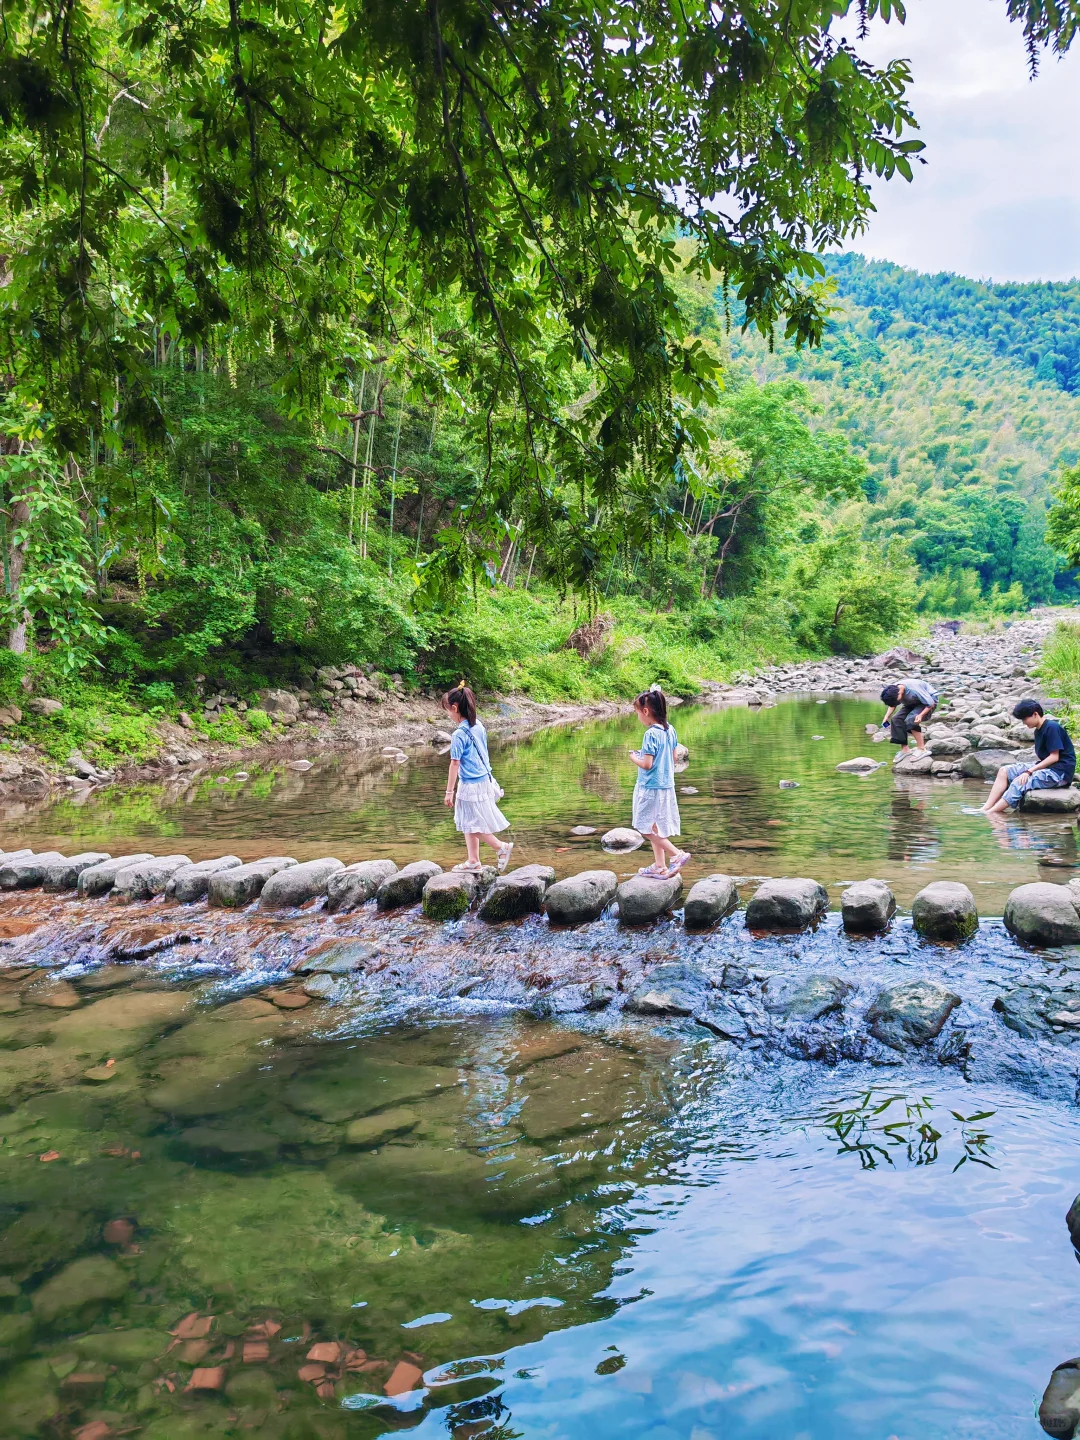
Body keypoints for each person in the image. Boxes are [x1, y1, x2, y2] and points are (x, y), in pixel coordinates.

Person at [443, 684, 514, 874]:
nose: (448, 715)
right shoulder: (478, 726)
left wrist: (449, 791)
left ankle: (500, 847)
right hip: (484, 780)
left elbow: (455, 764)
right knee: (470, 820)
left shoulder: (459, 734)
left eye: (447, 711)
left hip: (470, 784)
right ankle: (473, 861)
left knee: (469, 822)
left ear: (455, 708)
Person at [629, 688, 690, 878]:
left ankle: (676, 854)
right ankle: (659, 866)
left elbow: (647, 764)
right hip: (666, 786)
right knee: (655, 826)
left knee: (644, 827)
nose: (638, 717)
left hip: (650, 787)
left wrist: (633, 757)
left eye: (637, 713)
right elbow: (673, 757)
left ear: (646, 712)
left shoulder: (650, 734)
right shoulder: (670, 729)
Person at [979, 700, 1076, 815]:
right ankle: (985, 808)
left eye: (1024, 719)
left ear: (1035, 714)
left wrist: (1029, 771)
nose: (1024, 722)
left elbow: (1054, 757)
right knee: (1004, 771)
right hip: (1049, 768)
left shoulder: (1052, 728)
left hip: (1059, 773)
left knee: (1019, 782)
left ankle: (991, 813)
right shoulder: (1038, 730)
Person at [880, 678, 938, 751]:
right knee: (896, 719)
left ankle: (921, 749)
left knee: (911, 719)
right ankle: (905, 749)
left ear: (899, 693)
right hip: (911, 702)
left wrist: (921, 715)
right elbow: (892, 704)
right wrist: (886, 717)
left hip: (927, 703)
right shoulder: (893, 691)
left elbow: (931, 704)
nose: (896, 703)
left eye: (896, 701)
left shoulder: (914, 690)